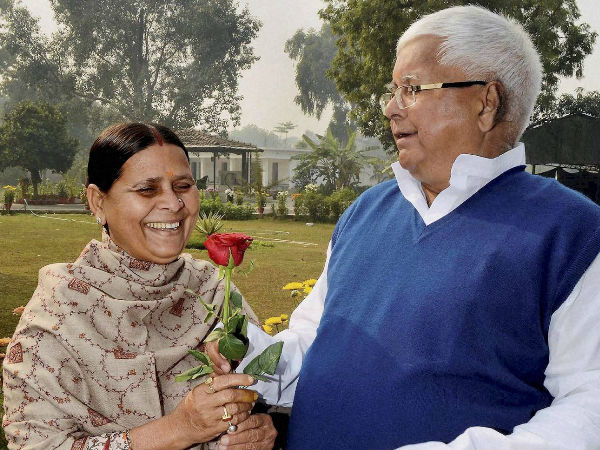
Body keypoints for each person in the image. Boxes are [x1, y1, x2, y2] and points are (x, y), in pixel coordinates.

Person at [208, 6, 600, 450]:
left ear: (486, 102)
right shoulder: (366, 212)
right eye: (393, 91)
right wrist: (256, 357)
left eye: (412, 89)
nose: (391, 108)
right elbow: (314, 342)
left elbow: (590, 405)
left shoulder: (573, 234)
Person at [2, 123, 277, 450]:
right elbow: (35, 444)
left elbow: (271, 397)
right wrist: (180, 429)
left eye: (183, 186)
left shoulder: (213, 292)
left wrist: (259, 431)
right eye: (147, 189)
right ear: (98, 202)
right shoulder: (60, 311)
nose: (173, 203)